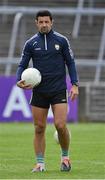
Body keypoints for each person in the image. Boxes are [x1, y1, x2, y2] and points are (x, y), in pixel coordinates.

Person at [16, 10, 79, 172]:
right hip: (39, 91)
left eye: (47, 22)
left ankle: (65, 158)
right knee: (39, 128)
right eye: (41, 22)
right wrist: (19, 80)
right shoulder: (30, 44)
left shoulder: (62, 41)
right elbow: (22, 65)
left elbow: (70, 63)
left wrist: (74, 84)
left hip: (58, 89)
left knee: (60, 125)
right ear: (36, 23)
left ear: (52, 22)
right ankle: (40, 164)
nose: (44, 24)